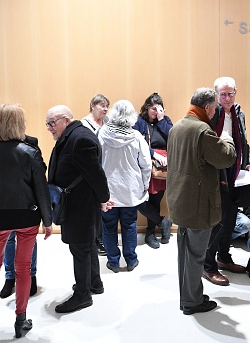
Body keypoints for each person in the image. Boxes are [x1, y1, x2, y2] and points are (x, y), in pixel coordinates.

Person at [0, 104, 53, 338]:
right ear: (19, 124)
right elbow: (41, 190)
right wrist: (48, 221)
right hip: (27, 216)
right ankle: (20, 319)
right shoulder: (30, 152)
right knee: (23, 268)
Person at [166, 87, 236, 315]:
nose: (215, 112)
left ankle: (188, 296)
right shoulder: (202, 131)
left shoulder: (178, 126)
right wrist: (228, 140)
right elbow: (225, 158)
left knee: (185, 254)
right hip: (198, 204)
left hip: (180, 200)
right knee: (196, 255)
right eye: (215, 108)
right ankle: (192, 302)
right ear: (206, 107)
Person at [46, 105, 112, 314]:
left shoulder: (80, 139)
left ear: (65, 119)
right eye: (47, 124)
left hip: (80, 205)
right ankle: (94, 283)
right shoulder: (72, 135)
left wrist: (104, 199)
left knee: (80, 248)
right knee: (87, 244)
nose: (49, 128)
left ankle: (83, 295)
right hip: (78, 204)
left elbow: (96, 174)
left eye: (52, 123)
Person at [203, 76, 250, 286]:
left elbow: (244, 140)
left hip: (234, 169)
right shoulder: (211, 112)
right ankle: (208, 266)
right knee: (216, 220)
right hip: (215, 170)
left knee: (231, 216)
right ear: (216, 94)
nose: (228, 97)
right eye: (223, 94)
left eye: (231, 93)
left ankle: (224, 257)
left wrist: (246, 162)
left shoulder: (239, 111)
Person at [99, 100, 151, 272]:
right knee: (129, 225)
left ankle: (113, 261)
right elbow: (146, 164)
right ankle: (131, 260)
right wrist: (145, 185)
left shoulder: (102, 134)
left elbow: (96, 163)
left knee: (109, 226)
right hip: (130, 190)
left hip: (108, 191)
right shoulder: (136, 137)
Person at [0, 135, 42, 299]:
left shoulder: (31, 142)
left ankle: (31, 275)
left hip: (25, 202)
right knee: (9, 240)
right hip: (1, 203)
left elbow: (38, 174)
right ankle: (10, 277)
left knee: (29, 241)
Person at [133, 93, 173, 249]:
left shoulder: (165, 121)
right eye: (153, 108)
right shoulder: (139, 121)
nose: (155, 112)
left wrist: (162, 120)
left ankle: (151, 232)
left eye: (159, 108)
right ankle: (163, 222)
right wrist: (153, 153)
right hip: (144, 164)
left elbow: (172, 138)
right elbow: (136, 141)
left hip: (162, 167)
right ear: (147, 107)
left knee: (156, 199)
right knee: (141, 201)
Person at [81, 94, 111, 256]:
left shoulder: (108, 123)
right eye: (102, 105)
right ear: (92, 105)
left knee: (105, 204)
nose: (105, 108)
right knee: (94, 206)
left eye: (107, 105)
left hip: (107, 167)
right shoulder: (84, 124)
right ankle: (95, 239)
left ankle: (102, 237)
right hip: (92, 169)